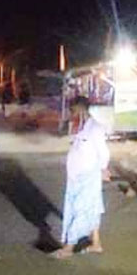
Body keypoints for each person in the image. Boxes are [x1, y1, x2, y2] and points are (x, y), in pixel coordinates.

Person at [50, 97, 110, 258]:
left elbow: (103, 152)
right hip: (76, 177)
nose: (71, 114)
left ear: (81, 110)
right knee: (91, 208)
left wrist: (103, 169)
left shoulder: (95, 128)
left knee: (80, 210)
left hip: (88, 176)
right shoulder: (80, 128)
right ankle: (96, 243)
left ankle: (69, 247)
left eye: (73, 111)